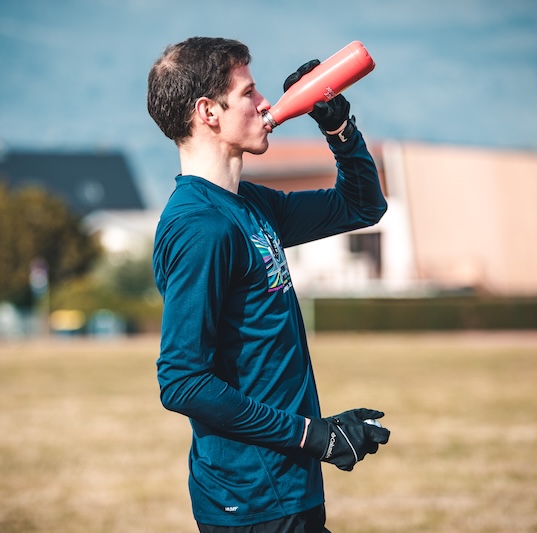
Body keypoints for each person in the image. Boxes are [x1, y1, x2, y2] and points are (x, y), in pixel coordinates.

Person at [147, 36, 391, 532]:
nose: (265, 103)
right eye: (248, 93)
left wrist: (339, 129)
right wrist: (315, 436)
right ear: (208, 112)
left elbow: (362, 206)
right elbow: (182, 382)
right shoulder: (201, 227)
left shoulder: (251, 204)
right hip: (251, 501)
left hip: (288, 488)